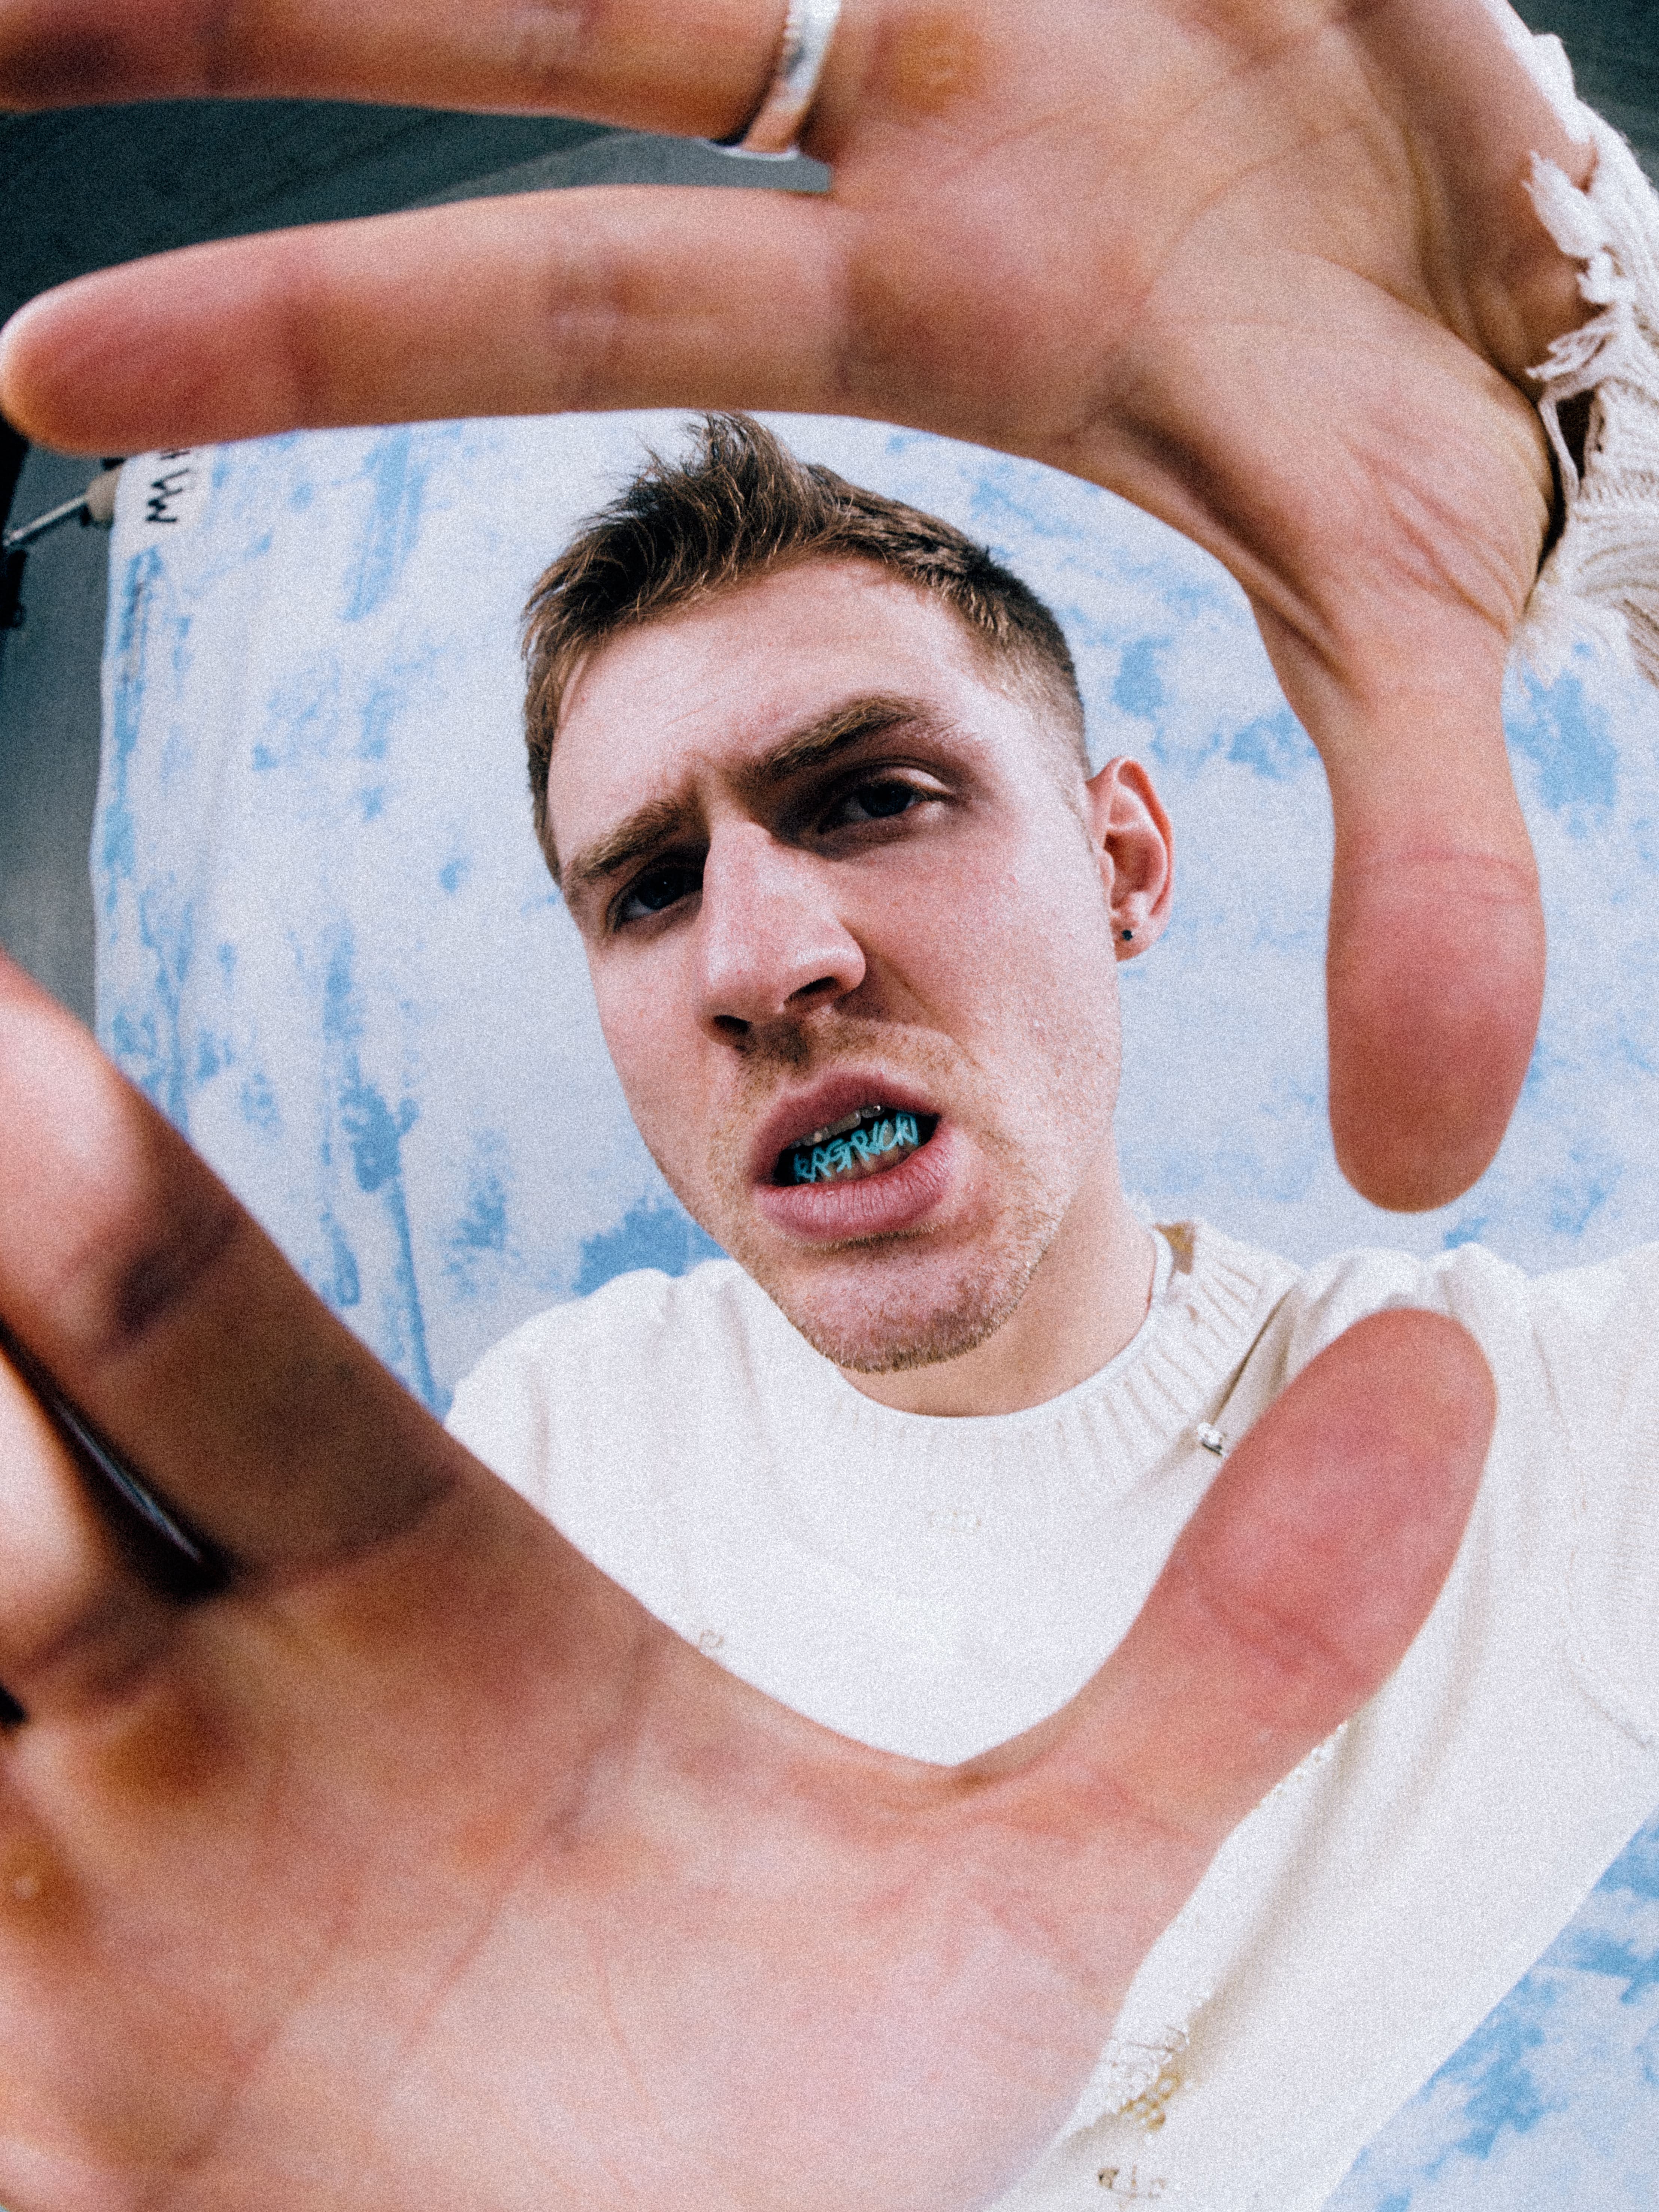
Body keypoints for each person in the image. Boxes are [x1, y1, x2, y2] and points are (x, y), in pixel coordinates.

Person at [0, 0, 1653, 2207]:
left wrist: (1617, 433)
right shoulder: (567, 1439)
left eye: (874, 795)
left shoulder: (1538, 1463)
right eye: (648, 886)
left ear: (1126, 863)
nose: (764, 961)